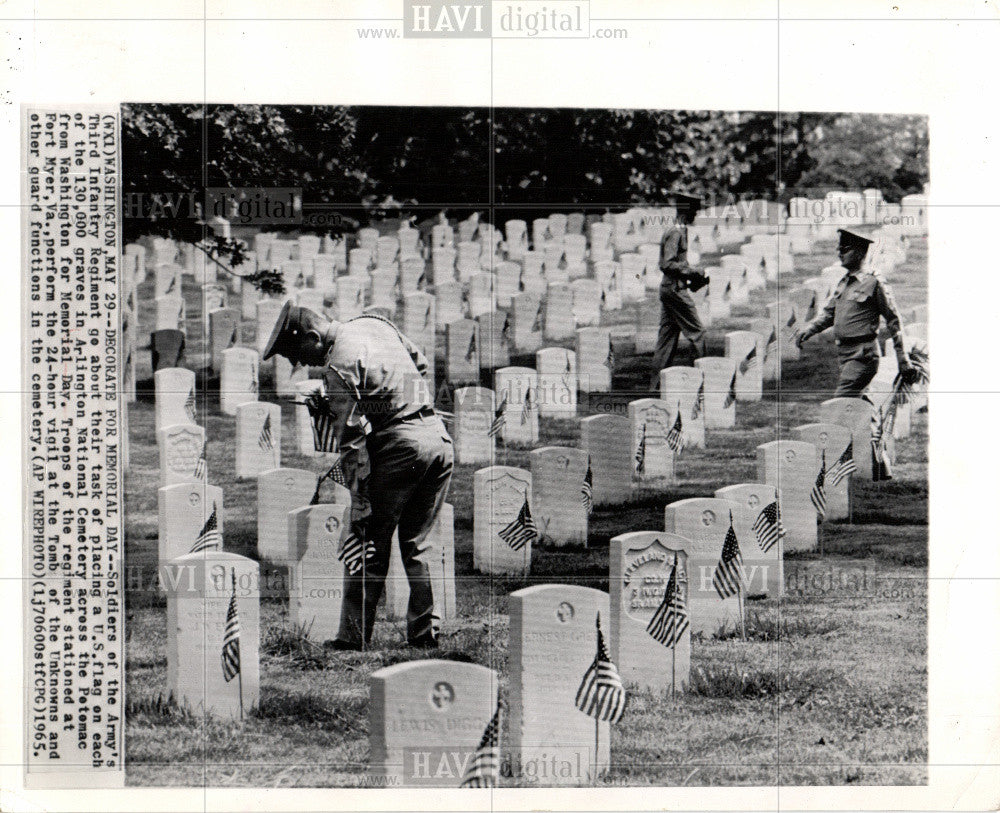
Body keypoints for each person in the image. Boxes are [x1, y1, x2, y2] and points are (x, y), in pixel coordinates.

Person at [262, 302, 454, 650]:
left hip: (400, 448)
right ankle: (426, 635)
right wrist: (397, 403)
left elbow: (351, 445)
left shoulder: (338, 366)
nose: (303, 365)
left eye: (300, 356)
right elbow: (420, 362)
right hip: (438, 438)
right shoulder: (375, 323)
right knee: (418, 544)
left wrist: (360, 499)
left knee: (366, 541)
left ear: (312, 336)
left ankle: (353, 638)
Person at [795, 228, 918, 398]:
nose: (839, 253)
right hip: (844, 354)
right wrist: (808, 330)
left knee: (841, 402)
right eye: (839, 249)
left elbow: (893, 320)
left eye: (845, 249)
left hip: (863, 355)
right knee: (858, 406)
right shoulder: (844, 282)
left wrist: (903, 359)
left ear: (860, 253)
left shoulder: (874, 282)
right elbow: (829, 314)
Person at [650, 193, 709, 388]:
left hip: (672, 288)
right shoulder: (675, 232)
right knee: (697, 332)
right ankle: (704, 381)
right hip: (675, 290)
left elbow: (678, 261)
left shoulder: (681, 230)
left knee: (667, 339)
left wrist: (693, 277)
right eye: (694, 210)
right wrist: (692, 271)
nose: (696, 214)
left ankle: (656, 386)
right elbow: (667, 263)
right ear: (686, 210)